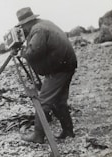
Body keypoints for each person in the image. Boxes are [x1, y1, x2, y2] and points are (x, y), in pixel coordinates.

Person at [15, 7, 77, 144]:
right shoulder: (44, 23)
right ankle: (68, 131)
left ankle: (38, 135)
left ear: (26, 23)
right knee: (59, 101)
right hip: (67, 65)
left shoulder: (38, 29)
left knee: (43, 101)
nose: (23, 29)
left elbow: (33, 52)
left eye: (23, 26)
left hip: (59, 69)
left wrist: (22, 52)